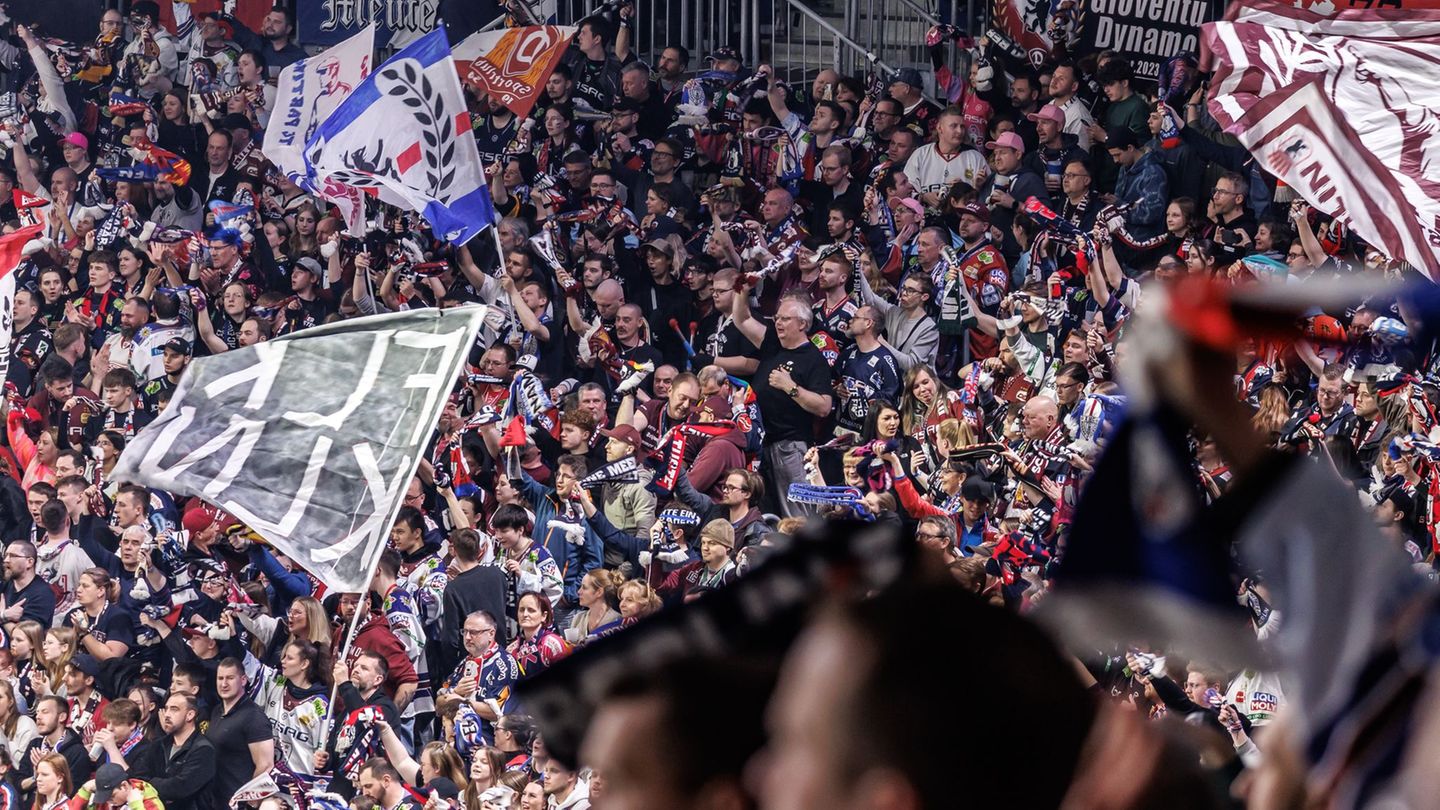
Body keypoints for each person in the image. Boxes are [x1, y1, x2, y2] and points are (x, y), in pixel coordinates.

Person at [203, 658, 274, 808]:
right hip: (213, 800)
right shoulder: (217, 711)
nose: (224, 684)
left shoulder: (254, 717)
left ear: (243, 680)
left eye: (230, 678)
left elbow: (266, 765)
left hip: (236, 803)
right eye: (220, 678)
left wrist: (249, 802)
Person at [133, 694, 212, 810]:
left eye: (174, 709)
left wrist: (151, 783)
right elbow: (138, 779)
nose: (167, 714)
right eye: (166, 708)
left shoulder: (204, 749)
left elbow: (179, 788)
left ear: (190, 715)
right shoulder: (158, 745)